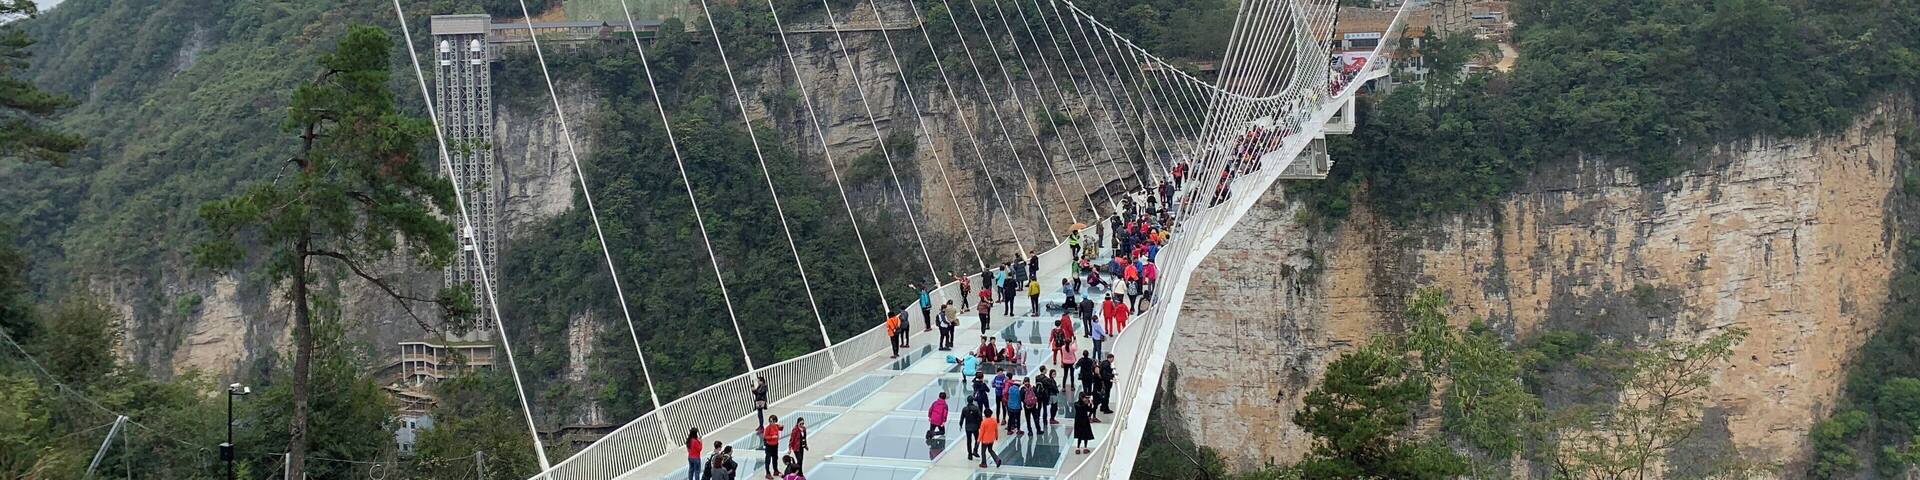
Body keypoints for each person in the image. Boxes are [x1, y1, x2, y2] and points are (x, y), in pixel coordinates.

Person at [1075, 351, 1098, 422]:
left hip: (1083, 376)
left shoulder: (1081, 360)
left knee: (1084, 387)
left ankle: (1085, 398)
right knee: (1090, 387)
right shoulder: (1090, 360)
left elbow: (1076, 366)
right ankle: (1090, 398)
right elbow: (1094, 366)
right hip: (1089, 375)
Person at [762, 415, 784, 479]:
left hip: (775, 445)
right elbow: (765, 437)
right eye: (770, 421)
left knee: (775, 458)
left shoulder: (776, 426)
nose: (772, 422)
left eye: (773, 421)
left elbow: (781, 429)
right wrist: (772, 437)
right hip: (769, 446)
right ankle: (767, 473)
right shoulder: (768, 428)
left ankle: (775, 470)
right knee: (768, 460)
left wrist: (782, 426)